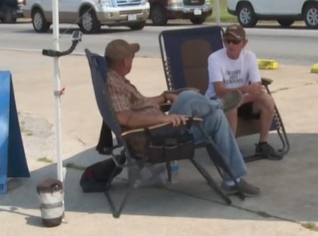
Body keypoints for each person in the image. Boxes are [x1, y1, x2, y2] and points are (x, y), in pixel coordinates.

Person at [103, 38, 261, 197]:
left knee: (209, 111)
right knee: (192, 100)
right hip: (156, 136)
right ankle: (219, 104)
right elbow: (123, 117)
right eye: (132, 57)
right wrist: (162, 119)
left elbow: (139, 104)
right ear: (125, 61)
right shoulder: (113, 84)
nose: (133, 60)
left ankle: (232, 180)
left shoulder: (116, 79)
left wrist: (164, 98)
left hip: (159, 129)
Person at [204, 24, 282, 160]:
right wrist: (245, 90)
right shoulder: (214, 58)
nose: (230, 45)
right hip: (217, 101)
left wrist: (243, 98)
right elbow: (219, 91)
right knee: (231, 105)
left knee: (267, 100)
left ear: (244, 43)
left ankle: (262, 144)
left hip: (243, 100)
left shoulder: (249, 57)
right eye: (227, 41)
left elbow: (256, 88)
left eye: (235, 41)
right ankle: (229, 150)